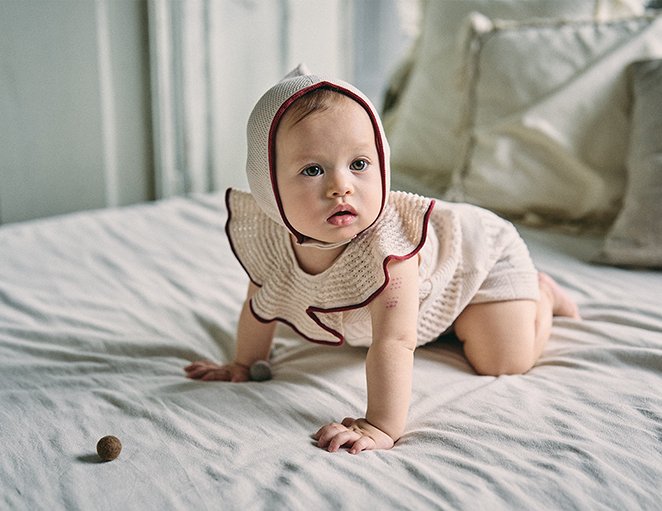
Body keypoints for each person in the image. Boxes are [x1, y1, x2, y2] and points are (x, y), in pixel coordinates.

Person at [184, 65, 580, 454]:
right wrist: (243, 363)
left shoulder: (390, 248)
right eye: (312, 170)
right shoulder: (273, 239)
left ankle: (543, 294)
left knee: (502, 360)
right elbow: (260, 304)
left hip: (478, 263)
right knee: (435, 324)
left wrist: (380, 425)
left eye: (358, 164)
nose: (341, 186)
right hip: (430, 295)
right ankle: (449, 319)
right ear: (268, 185)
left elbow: (394, 340)